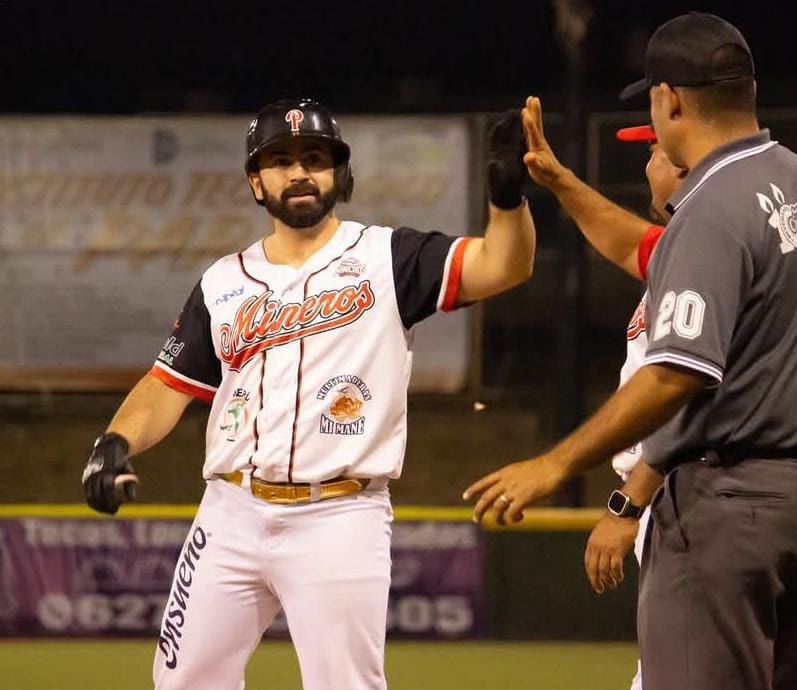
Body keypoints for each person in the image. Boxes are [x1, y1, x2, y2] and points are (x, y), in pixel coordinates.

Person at [81, 96, 536, 690]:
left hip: (340, 516)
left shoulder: (388, 257)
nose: (299, 172)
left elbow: (506, 265)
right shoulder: (221, 282)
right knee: (182, 681)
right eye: (280, 160)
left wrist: (507, 200)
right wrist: (116, 439)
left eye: (315, 157)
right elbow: (167, 383)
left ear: (338, 175)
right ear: (256, 181)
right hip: (231, 512)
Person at [465, 13, 797, 690]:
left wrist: (555, 464)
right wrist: (559, 180)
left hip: (728, 500)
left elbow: (676, 373)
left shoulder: (710, 208)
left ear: (669, 99)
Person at [516, 95, 687, 690]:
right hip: (680, 497)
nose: (647, 164)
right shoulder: (683, 250)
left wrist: (628, 501)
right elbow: (622, 241)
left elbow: (688, 392)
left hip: (684, 495)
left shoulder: (711, 249)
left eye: (655, 151)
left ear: (685, 164)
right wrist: (559, 181)